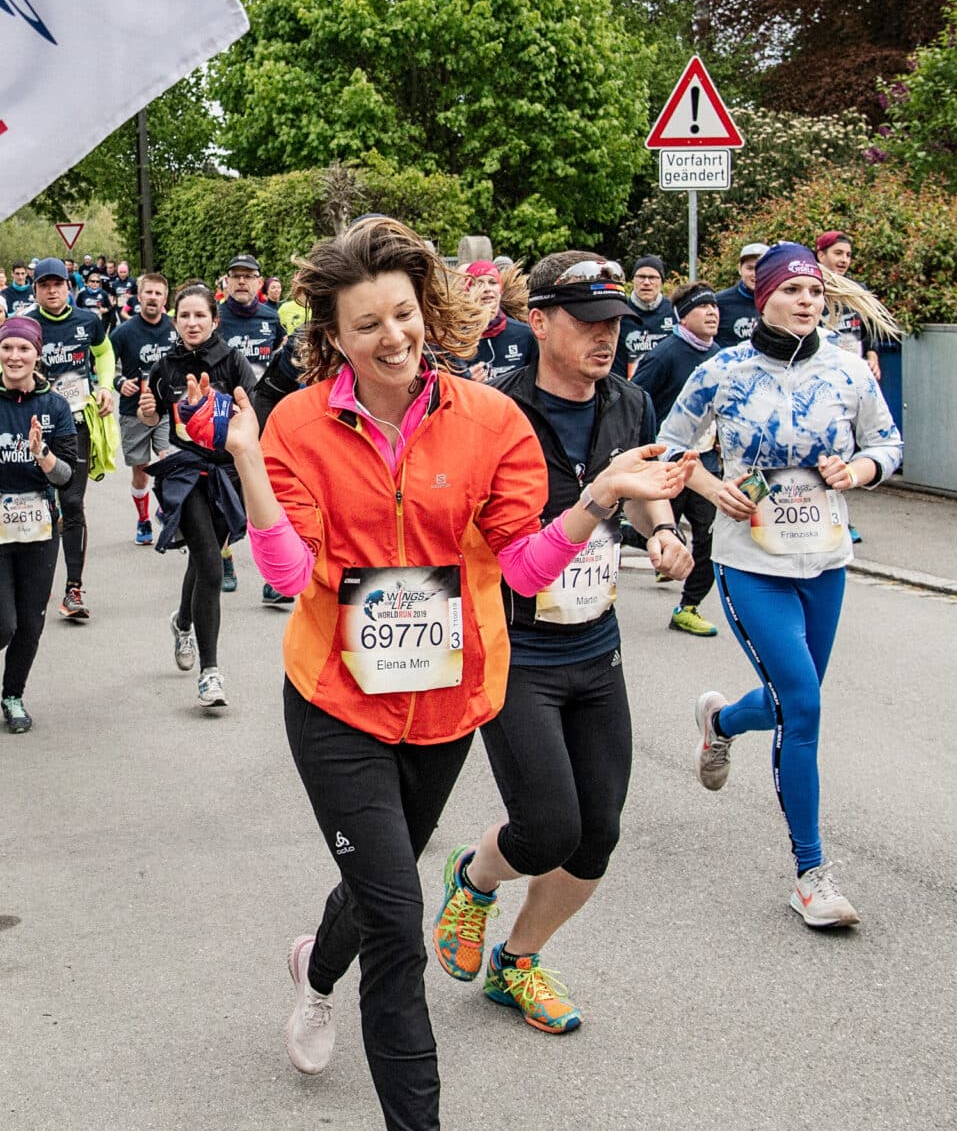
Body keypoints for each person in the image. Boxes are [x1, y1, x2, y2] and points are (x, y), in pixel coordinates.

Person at [224, 217, 684, 1127]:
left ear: (425, 312)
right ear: (334, 337)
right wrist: (249, 465)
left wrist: (596, 502)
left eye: (402, 315)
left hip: (445, 701)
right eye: (366, 325)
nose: (391, 338)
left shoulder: (490, 422)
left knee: (377, 887)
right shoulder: (299, 425)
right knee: (398, 925)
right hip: (338, 703)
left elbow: (518, 571)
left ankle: (315, 969)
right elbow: (284, 575)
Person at [431, 254, 693, 1036]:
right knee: (548, 827)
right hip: (513, 647)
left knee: (598, 832)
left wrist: (666, 532)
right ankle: (474, 879)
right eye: (586, 321)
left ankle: (518, 962)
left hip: (595, 643)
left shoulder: (631, 402)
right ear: (538, 321)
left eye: (614, 322)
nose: (605, 337)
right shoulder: (489, 412)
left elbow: (644, 500)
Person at [661, 242, 902, 927]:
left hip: (824, 562)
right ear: (763, 296)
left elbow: (886, 443)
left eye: (816, 294)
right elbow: (671, 441)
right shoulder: (724, 372)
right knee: (804, 706)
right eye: (793, 291)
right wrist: (709, 483)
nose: (807, 303)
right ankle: (811, 874)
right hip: (751, 564)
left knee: (794, 700)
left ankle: (722, 720)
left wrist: (857, 473)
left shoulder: (848, 371)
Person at [0, 318, 78, 734]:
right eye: (8, 349)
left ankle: (13, 695)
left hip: (39, 528)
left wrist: (43, 456)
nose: (15, 357)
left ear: (37, 353)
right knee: (1, 623)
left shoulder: (55, 407)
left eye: (24, 349)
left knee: (31, 622)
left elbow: (66, 477)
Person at [137, 284, 257, 707]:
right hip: (185, 473)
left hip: (226, 474)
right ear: (176, 322)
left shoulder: (233, 362)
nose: (191, 323)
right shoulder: (165, 366)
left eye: (199, 316)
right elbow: (149, 414)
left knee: (204, 557)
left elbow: (252, 413)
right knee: (209, 565)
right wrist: (147, 412)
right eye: (184, 316)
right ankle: (211, 672)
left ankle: (183, 621)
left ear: (214, 320)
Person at [0, 258, 115, 622]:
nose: (52, 290)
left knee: (72, 503)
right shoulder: (26, 324)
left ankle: (73, 588)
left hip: (75, 425)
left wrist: (105, 386)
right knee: (35, 502)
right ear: (35, 290)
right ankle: (29, 580)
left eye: (57, 284)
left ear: (69, 287)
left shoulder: (88, 321)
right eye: (44, 285)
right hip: (32, 424)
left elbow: (104, 352)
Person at [631, 282, 725, 635]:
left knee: (709, 538)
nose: (713, 313)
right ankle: (647, 543)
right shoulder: (664, 355)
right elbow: (635, 399)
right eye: (703, 307)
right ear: (682, 317)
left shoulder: (720, 356)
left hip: (706, 464)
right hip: (667, 462)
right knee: (661, 527)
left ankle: (689, 606)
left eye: (715, 306)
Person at [217, 253, 282, 593]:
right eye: (236, 276)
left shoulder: (272, 319)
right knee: (232, 498)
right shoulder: (217, 318)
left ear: (260, 282)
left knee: (267, 497)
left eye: (249, 276)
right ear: (226, 281)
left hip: (266, 419)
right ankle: (224, 551)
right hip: (226, 422)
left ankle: (272, 576)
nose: (242, 282)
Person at [111, 272, 175, 544]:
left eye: (158, 293)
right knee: (141, 471)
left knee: (168, 460)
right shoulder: (123, 333)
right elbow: (101, 366)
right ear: (139, 297)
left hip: (166, 410)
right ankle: (143, 519)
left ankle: (166, 510)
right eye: (148, 292)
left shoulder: (175, 329)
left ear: (165, 299)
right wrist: (119, 382)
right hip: (133, 410)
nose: (153, 298)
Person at [813, 231, 883, 379]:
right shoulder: (810, 291)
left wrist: (872, 355)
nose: (844, 260)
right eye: (838, 253)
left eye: (848, 255)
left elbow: (870, 330)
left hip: (855, 372)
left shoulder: (858, 289)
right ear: (821, 256)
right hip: (821, 374)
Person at [454, 260, 536, 380]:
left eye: (492, 282)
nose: (487, 288)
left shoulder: (525, 334)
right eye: (479, 283)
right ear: (467, 291)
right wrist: (466, 381)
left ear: (500, 290)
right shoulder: (455, 339)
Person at [619, 256, 675, 373]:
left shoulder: (674, 311)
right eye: (641, 277)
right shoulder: (620, 311)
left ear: (662, 281)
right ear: (633, 280)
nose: (646, 282)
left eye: (652, 277)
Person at [713, 243, 767, 348]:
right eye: (750, 268)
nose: (755, 274)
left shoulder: (779, 302)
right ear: (739, 269)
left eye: (761, 268)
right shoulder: (718, 302)